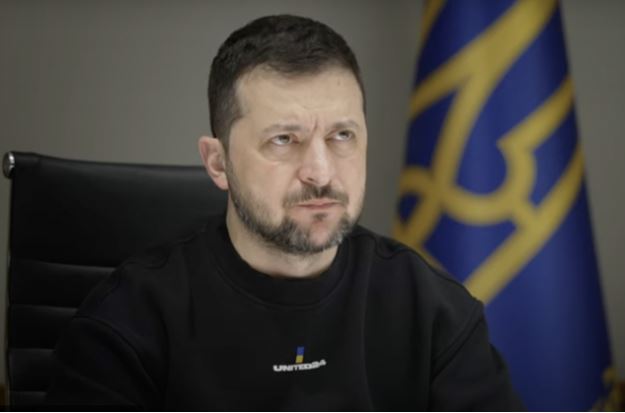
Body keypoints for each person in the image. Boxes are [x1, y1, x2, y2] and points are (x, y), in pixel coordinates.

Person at [46, 14, 524, 410]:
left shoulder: (433, 310)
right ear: (218, 163)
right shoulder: (126, 323)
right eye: (283, 139)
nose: (320, 171)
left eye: (342, 136)